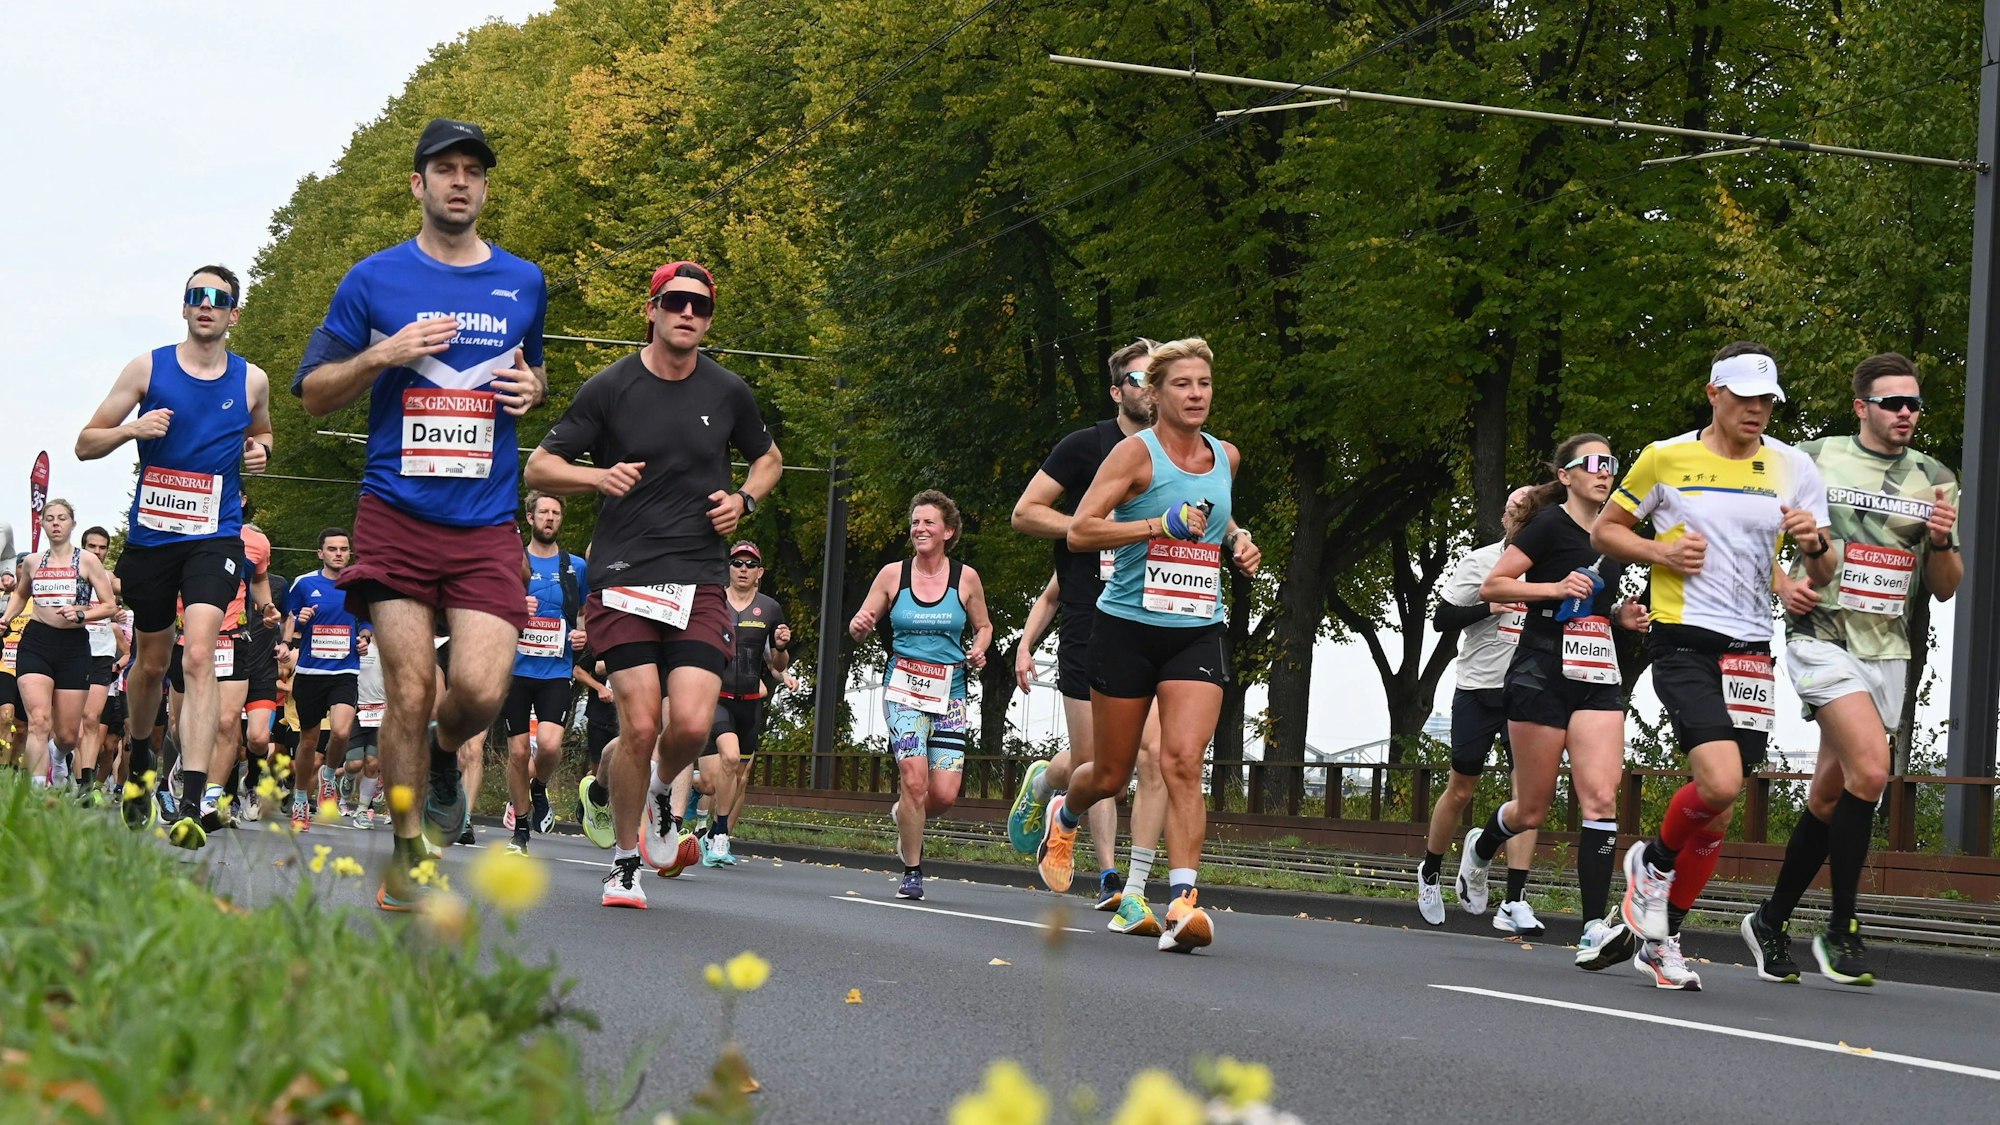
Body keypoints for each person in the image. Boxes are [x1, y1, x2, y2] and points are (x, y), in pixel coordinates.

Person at [295, 119, 547, 910]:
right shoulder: (372, 280)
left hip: (482, 521)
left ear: (485, 187)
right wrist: (383, 354)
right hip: (396, 511)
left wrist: (534, 389)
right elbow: (311, 393)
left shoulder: (524, 282)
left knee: (474, 689)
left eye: (474, 170)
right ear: (419, 185)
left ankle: (445, 751)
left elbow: (529, 370)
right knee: (408, 686)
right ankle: (408, 851)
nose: (460, 182)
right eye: (446, 170)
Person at [526, 259, 781, 910]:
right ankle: (624, 861)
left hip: (698, 576)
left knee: (691, 725)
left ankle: (665, 799)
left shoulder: (728, 391)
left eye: (700, 305)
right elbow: (541, 465)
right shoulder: (612, 387)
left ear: (709, 317)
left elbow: (769, 457)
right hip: (624, 576)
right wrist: (596, 478)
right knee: (640, 723)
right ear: (652, 308)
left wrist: (745, 500)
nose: (687, 313)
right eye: (675, 301)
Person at [1592, 342, 1834, 990]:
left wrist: (1813, 549)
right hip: (1684, 639)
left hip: (1751, 648)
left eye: (1766, 400)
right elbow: (1606, 532)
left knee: (1719, 811)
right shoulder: (1666, 458)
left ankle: (1662, 935)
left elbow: (1823, 565)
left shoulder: (1792, 466)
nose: (1756, 410)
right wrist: (1658, 552)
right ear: (1713, 394)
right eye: (1744, 397)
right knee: (1721, 782)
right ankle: (1651, 860)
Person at [1743, 352, 1961, 987]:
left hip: (1888, 649)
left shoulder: (1936, 477)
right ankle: (1840, 930)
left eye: (1914, 404)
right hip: (1822, 637)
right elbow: (1754, 534)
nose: (1906, 414)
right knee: (1872, 769)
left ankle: (1770, 919)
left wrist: (1943, 542)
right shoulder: (1811, 458)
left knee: (1832, 793)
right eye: (1893, 402)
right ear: (1862, 406)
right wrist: (1783, 585)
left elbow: (1946, 588)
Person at [1038, 337, 1261, 953]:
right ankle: (1065, 815)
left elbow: (1219, 520)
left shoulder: (1227, 457)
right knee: (1108, 773)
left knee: (1183, 761)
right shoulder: (1133, 455)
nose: (1196, 395)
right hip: (1126, 627)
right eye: (1183, 385)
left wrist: (1238, 543)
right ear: (1156, 394)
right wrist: (1154, 526)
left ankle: (1184, 904)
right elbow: (1082, 530)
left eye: (1204, 385)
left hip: (1196, 626)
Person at [76, 264, 273, 839]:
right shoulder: (149, 367)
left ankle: (191, 797)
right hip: (153, 539)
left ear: (233, 313)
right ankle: (140, 755)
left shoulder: (251, 379)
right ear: (184, 308)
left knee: (200, 652)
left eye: (218, 299)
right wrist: (130, 433)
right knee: (153, 663)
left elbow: (262, 433)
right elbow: (85, 443)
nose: (206, 305)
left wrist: (258, 451)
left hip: (215, 536)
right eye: (196, 296)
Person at [1469, 437, 1652, 966]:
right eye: (1592, 464)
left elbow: (1591, 602)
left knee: (1599, 798)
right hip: (1539, 672)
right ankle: (1482, 848)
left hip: (1596, 675)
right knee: (1531, 808)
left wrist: (1620, 617)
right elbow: (1493, 587)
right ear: (1566, 475)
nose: (1604, 472)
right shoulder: (1548, 526)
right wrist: (1553, 588)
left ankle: (1593, 926)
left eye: (1610, 464)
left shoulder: (1617, 536)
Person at [1009, 338, 1171, 928]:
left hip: (1157, 619)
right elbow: (1025, 513)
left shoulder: (1181, 456)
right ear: (1116, 390)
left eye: (1158, 377)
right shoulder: (1086, 447)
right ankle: (1050, 786)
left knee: (1147, 758)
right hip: (1091, 617)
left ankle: (1128, 885)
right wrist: (1088, 527)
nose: (1148, 388)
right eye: (1137, 378)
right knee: (1100, 763)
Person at [848, 490, 993, 900]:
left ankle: (903, 816)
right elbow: (862, 624)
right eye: (915, 522)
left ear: (948, 531)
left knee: (942, 794)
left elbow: (984, 626)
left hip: (951, 694)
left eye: (929, 522)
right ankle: (912, 871)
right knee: (914, 780)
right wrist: (859, 626)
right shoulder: (892, 575)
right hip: (903, 689)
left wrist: (979, 647)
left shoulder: (965, 578)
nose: (919, 528)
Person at [1415, 488, 1539, 931]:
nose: (1517, 519)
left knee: (1528, 795)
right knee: (1462, 787)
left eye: (1526, 513)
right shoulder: (1480, 562)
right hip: (1477, 688)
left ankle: (1516, 897)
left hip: (1527, 691)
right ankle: (1430, 871)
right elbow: (1442, 618)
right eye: (1511, 511)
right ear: (1504, 518)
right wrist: (1489, 606)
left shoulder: (1551, 563)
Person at [3, 503, 119, 793]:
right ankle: (36, 792)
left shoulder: (87, 561)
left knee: (68, 735)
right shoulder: (32, 561)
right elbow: (20, 594)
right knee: (39, 720)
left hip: (73, 647)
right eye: (50, 519)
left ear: (72, 524)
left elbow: (109, 605)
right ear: (42, 524)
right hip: (36, 642)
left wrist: (82, 614)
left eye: (62, 519)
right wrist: (6, 618)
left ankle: (57, 756)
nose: (56, 524)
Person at [503, 493, 588, 855]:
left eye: (556, 513)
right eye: (544, 513)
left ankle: (538, 788)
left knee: (550, 746)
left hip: (556, 668)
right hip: (515, 670)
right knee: (519, 752)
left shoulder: (575, 566)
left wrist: (583, 634)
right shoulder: (511, 561)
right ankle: (520, 830)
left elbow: (584, 612)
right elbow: (487, 610)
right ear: (530, 517)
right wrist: (515, 607)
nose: (550, 519)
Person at [703, 539, 790, 864]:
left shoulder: (770, 608)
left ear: (760, 572)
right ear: (728, 568)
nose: (743, 569)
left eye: (749, 564)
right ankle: (722, 834)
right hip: (717, 698)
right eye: (737, 563)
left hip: (750, 703)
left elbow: (777, 665)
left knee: (736, 775)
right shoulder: (712, 602)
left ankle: (715, 829)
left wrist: (780, 648)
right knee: (727, 758)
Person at [283, 528, 366, 834]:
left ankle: (328, 776)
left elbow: (367, 620)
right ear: (320, 553)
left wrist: (365, 638)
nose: (339, 554)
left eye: (344, 549)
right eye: (332, 549)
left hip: (345, 671)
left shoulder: (358, 585)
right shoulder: (304, 583)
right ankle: (301, 799)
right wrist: (299, 620)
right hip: (310, 672)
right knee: (308, 740)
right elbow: (288, 618)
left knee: (342, 731)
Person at [75, 526, 129, 806]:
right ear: (83, 546)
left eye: (102, 547)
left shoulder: (109, 580)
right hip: (73, 651)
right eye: (92, 546)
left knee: (92, 720)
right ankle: (66, 770)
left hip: (101, 656)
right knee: (68, 731)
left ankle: (85, 783)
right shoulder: (71, 575)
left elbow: (138, 586)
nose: (97, 552)